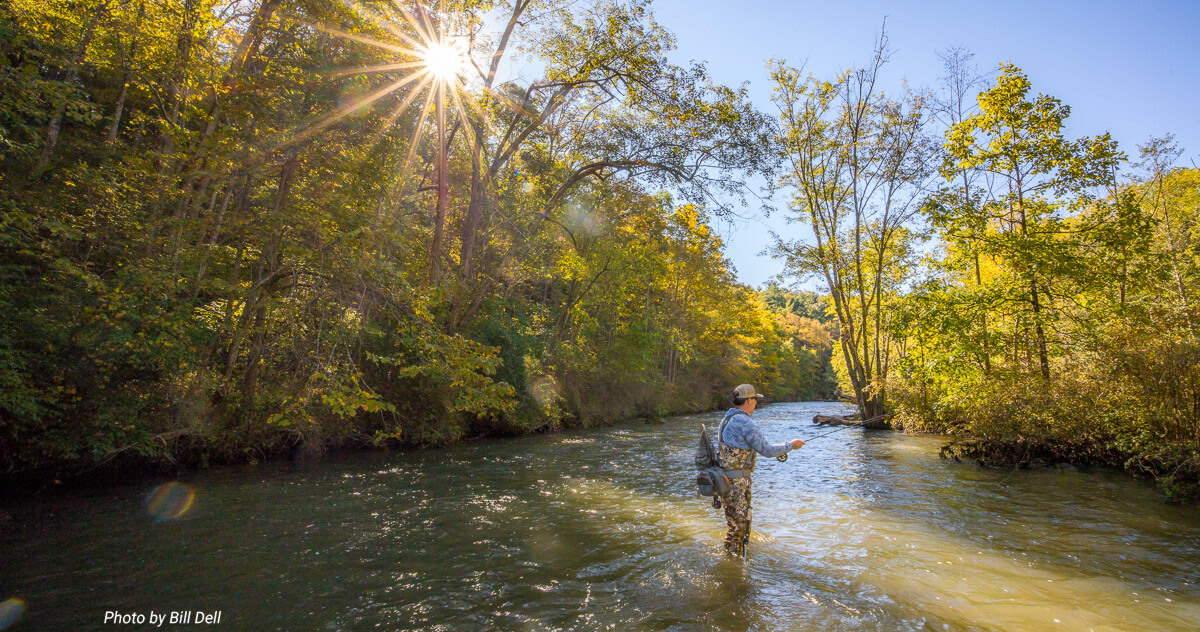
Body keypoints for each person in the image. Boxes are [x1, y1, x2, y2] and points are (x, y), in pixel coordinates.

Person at [718, 383, 805, 557]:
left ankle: (730, 562)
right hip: (736, 484)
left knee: (735, 526)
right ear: (748, 401)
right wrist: (791, 446)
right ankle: (733, 567)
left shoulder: (727, 419)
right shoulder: (745, 422)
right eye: (755, 399)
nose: (756, 403)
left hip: (725, 482)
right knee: (739, 528)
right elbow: (767, 450)